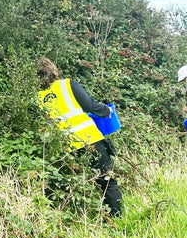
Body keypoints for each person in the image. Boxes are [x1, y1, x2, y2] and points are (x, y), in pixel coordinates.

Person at [36, 57, 122, 218]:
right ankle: (117, 220)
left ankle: (83, 214)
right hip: (90, 140)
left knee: (83, 182)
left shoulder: (38, 97)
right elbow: (89, 105)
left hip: (68, 148)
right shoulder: (68, 85)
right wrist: (106, 111)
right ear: (53, 70)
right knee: (106, 181)